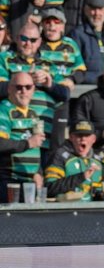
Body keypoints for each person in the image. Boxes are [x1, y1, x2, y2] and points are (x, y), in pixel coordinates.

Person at [0, 22, 70, 163]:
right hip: (15, 133)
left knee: (39, 181)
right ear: (16, 38)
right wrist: (26, 79)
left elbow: (65, 94)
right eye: (24, 39)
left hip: (43, 134)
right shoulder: (5, 59)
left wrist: (50, 84)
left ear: (39, 42)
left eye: (32, 40)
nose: (28, 44)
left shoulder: (48, 63)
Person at [39, 8, 87, 152]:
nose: (52, 26)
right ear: (42, 24)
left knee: (57, 141)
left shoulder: (70, 45)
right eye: (48, 22)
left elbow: (81, 70)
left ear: (63, 26)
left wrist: (72, 79)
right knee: (39, 139)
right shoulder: (36, 43)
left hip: (61, 100)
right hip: (40, 99)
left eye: (56, 22)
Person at [0, 72, 45, 203]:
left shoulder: (33, 113)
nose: (23, 91)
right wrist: (27, 143)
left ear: (33, 89)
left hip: (29, 183)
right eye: (18, 87)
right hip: (8, 180)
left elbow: (36, 147)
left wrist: (38, 172)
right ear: (9, 88)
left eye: (28, 87)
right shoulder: (3, 110)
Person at [44, 119, 103, 201]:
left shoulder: (97, 161)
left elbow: (98, 193)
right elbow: (50, 188)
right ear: (71, 137)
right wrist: (81, 177)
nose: (83, 139)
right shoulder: (59, 156)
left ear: (93, 139)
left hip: (90, 211)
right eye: (79, 135)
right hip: (66, 211)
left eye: (87, 135)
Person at [68, 0, 104, 84]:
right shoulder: (77, 34)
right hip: (86, 87)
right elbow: (75, 65)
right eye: (93, 9)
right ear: (86, 10)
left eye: (100, 9)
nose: (97, 13)